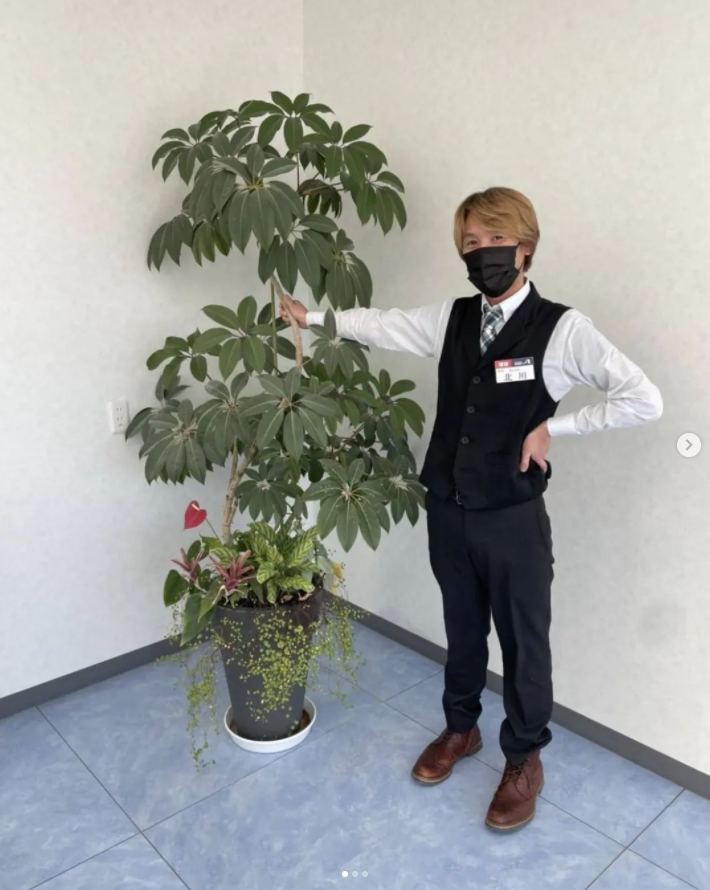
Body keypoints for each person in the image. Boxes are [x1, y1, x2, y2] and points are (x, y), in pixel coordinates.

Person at [279, 186, 663, 832]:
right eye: (471, 242)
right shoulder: (453, 318)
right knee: (461, 630)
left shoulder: (563, 329)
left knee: (523, 642)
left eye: (495, 240)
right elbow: (384, 324)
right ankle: (461, 728)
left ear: (526, 248)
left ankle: (524, 758)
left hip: (512, 518)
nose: (482, 252)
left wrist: (554, 428)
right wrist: (311, 318)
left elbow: (643, 398)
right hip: (448, 507)